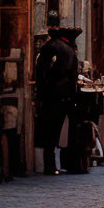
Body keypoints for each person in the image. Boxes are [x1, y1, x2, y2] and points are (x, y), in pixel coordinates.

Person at [34, 11, 79, 175]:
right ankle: (67, 163)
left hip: (51, 96)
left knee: (49, 133)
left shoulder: (49, 48)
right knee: (63, 132)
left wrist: (42, 93)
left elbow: (42, 73)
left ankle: (49, 165)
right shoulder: (69, 51)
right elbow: (74, 75)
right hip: (66, 96)